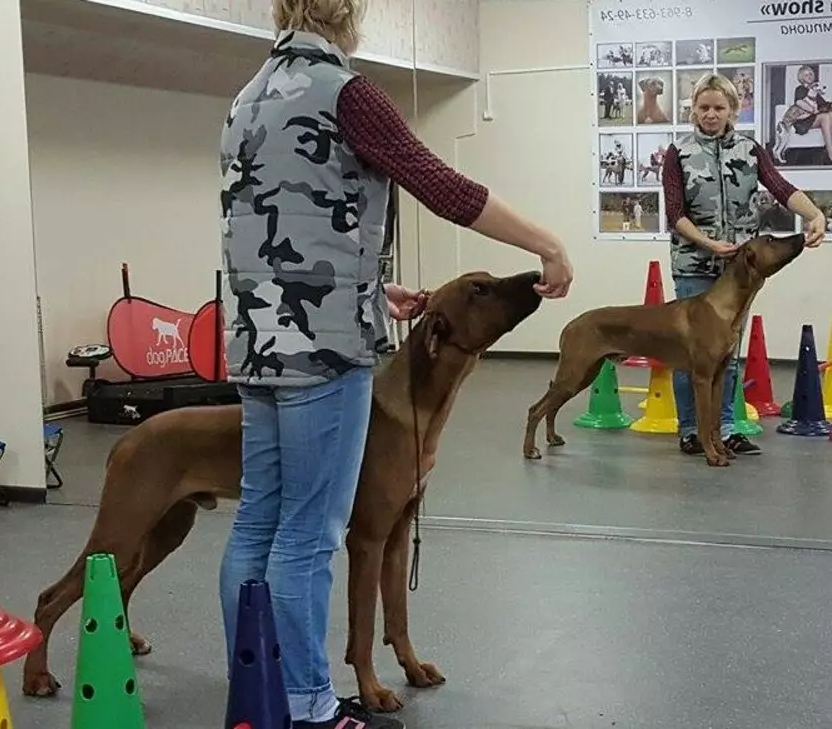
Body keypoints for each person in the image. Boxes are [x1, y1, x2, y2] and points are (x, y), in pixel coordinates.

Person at [216, 2, 575, 728]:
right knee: (311, 534)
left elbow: (274, 223)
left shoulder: (247, 97)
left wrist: (371, 287)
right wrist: (546, 244)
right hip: (325, 354)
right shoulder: (346, 92)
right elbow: (441, 186)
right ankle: (310, 704)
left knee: (258, 522)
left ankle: (254, 690)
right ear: (346, 12)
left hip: (255, 343)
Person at [662, 72, 825, 458]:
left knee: (727, 356)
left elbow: (781, 188)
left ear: (733, 109)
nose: (711, 115)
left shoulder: (751, 150)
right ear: (694, 110)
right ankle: (690, 430)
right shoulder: (678, 153)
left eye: (719, 107)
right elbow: (674, 212)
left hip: (740, 273)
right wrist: (705, 242)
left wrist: (815, 214)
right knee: (691, 357)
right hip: (694, 266)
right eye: (704, 108)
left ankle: (726, 428)